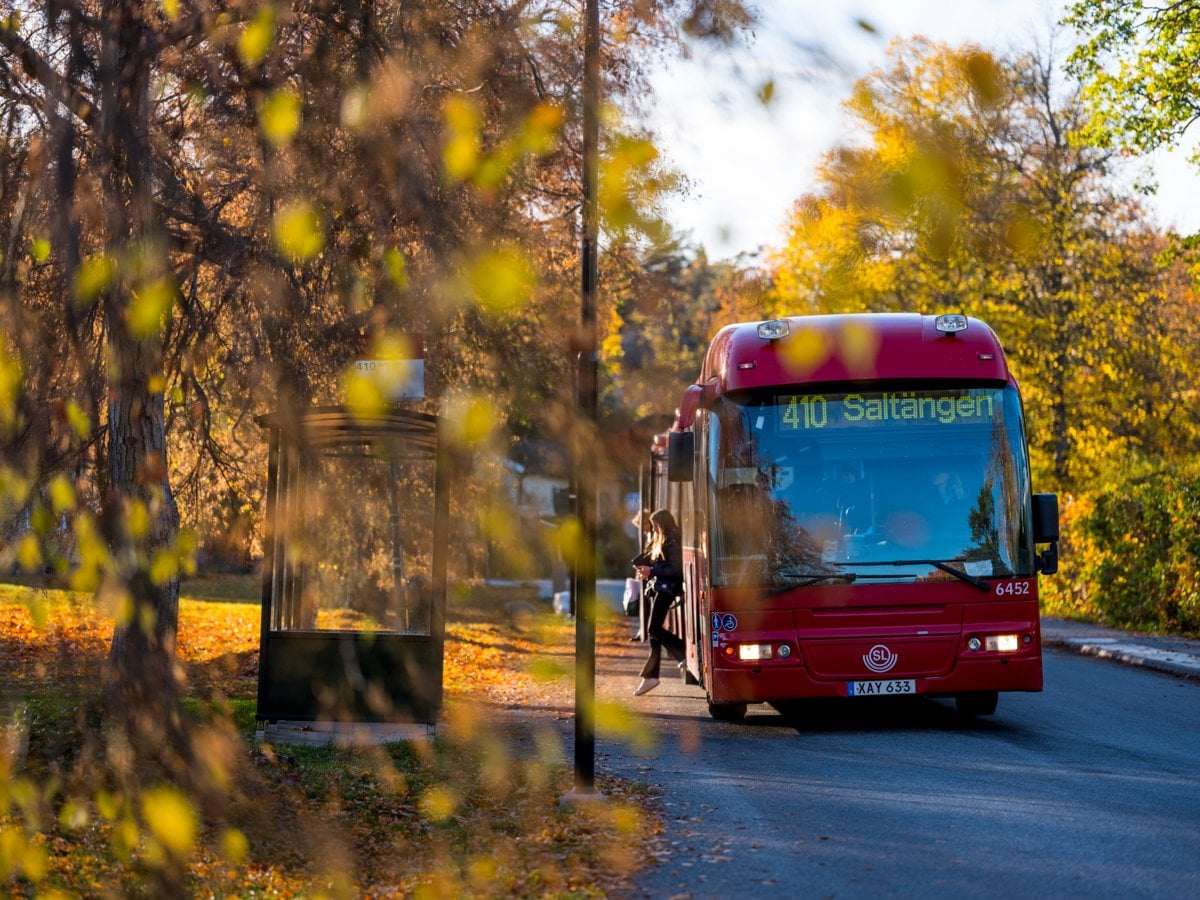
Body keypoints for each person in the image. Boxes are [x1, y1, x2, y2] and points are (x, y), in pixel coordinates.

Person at [632, 509, 686, 696]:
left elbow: (675, 569)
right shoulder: (664, 539)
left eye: (655, 526)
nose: (653, 530)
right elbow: (657, 561)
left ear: (662, 524)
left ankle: (682, 652)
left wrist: (652, 571)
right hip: (661, 588)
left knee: (653, 629)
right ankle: (650, 677)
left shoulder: (673, 540)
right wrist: (646, 565)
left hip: (667, 589)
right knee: (654, 634)